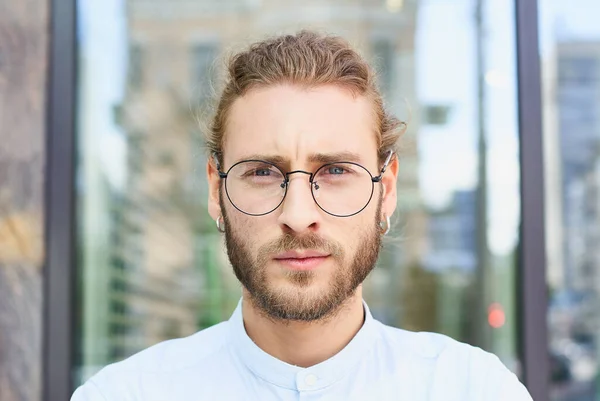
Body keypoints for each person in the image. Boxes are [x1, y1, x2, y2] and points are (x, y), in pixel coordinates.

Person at [72, 30, 533, 401]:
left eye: (335, 170)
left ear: (385, 190)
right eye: (261, 172)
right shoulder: (123, 393)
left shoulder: (474, 389)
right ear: (217, 190)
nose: (298, 215)